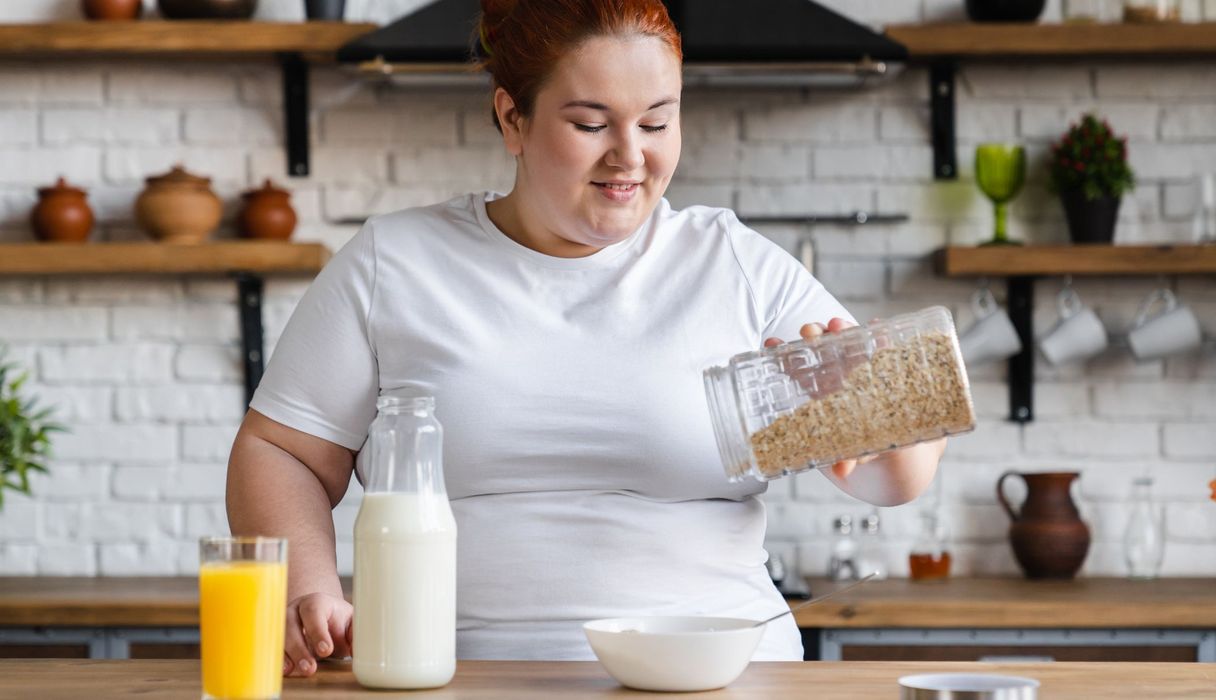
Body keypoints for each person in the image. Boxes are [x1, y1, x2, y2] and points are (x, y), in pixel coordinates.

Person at [226, 0, 945, 678]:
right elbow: (281, 449)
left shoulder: (733, 263)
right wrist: (308, 587)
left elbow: (896, 474)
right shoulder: (397, 261)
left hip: (725, 679)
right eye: (592, 123)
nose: (629, 156)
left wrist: (878, 429)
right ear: (513, 118)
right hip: (455, 676)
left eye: (658, 123)